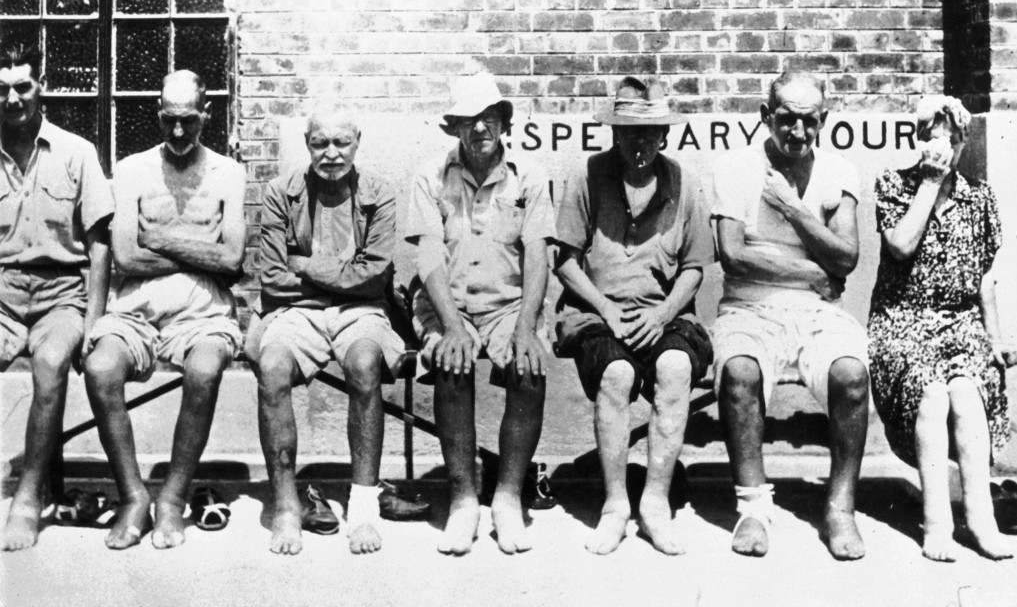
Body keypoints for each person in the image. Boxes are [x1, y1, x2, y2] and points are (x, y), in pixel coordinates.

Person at [711, 71, 870, 560]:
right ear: (766, 117)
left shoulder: (838, 172)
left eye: (809, 122)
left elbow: (846, 259)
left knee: (852, 376)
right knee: (740, 372)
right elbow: (733, 255)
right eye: (786, 120)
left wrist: (793, 208)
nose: (797, 133)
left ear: (823, 121)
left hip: (818, 312)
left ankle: (840, 508)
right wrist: (810, 269)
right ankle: (754, 507)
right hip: (749, 305)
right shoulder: (735, 167)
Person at [84, 70, 246, 550]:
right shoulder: (132, 169)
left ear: (207, 115)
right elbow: (127, 257)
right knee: (100, 368)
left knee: (204, 370)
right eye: (169, 120)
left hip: (203, 311)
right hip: (135, 308)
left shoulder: (227, 173)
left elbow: (232, 260)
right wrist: (199, 247)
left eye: (189, 121)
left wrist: (159, 237)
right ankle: (134, 496)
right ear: (158, 114)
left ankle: (173, 497)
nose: (178, 132)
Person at [554, 76, 713, 556]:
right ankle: (615, 506)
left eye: (649, 133)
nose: (639, 143)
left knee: (676, 366)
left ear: (665, 134)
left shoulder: (682, 182)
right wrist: (605, 309)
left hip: (663, 314)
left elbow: (694, 266)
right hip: (596, 314)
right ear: (614, 133)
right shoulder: (587, 175)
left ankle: (655, 504)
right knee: (617, 373)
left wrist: (664, 313)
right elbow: (564, 259)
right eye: (628, 132)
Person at [245, 103, 405, 556]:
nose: (331, 154)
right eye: (320, 143)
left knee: (364, 363)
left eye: (341, 143)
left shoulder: (380, 192)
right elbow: (272, 276)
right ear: (307, 145)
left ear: (358, 142)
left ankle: (364, 507)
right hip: (297, 310)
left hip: (361, 309)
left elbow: (375, 276)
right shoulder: (280, 191)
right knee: (272, 365)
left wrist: (305, 265)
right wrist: (339, 272)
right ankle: (286, 507)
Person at [404, 73, 555, 555]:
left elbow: (538, 255)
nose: (479, 129)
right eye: (467, 121)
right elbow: (427, 254)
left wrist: (528, 329)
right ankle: (464, 499)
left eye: (488, 118)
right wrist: (451, 327)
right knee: (452, 364)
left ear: (503, 122)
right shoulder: (430, 176)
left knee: (529, 370)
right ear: (454, 129)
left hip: (509, 304)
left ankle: (508, 499)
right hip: (447, 302)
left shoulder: (528, 178)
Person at [869, 96, 1017, 562]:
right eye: (935, 138)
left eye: (953, 141)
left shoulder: (980, 198)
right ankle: (937, 523)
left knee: (968, 392)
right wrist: (929, 185)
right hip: (903, 320)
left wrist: (994, 339)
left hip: (960, 322)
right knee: (931, 393)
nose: (945, 149)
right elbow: (900, 246)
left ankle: (980, 518)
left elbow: (985, 279)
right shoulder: (893, 185)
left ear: (962, 143)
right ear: (919, 139)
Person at [0, 43, 113, 551]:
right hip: (1, 294)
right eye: (2, 89)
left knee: (49, 364)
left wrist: (93, 320)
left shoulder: (76, 152)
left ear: (40, 85)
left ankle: (27, 501)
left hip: (60, 295)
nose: (12, 98)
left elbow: (99, 244)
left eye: (22, 86)